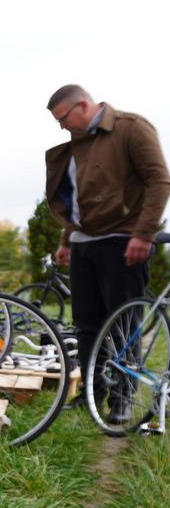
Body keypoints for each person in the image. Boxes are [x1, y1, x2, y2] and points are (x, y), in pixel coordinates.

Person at [44, 85, 170, 422]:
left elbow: (159, 180)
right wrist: (66, 241)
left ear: (82, 106)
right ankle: (92, 392)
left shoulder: (131, 128)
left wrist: (144, 233)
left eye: (63, 119)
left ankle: (123, 398)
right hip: (85, 244)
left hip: (122, 241)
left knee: (122, 322)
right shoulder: (77, 144)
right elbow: (76, 197)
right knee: (86, 325)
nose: (62, 127)